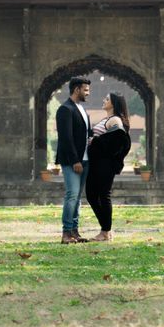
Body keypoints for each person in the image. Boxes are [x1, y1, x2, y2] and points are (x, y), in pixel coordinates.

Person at [85, 92, 131, 242]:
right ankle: (106, 229)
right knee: (92, 195)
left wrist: (96, 142)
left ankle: (105, 232)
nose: (104, 101)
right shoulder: (108, 119)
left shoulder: (115, 120)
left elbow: (120, 141)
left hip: (104, 165)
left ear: (114, 103)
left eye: (107, 99)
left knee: (102, 196)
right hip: (97, 163)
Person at [55, 76, 91, 243]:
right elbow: (66, 138)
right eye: (85, 90)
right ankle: (66, 233)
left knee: (77, 197)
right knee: (71, 195)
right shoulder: (65, 109)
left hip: (85, 160)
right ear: (76, 89)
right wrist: (75, 160)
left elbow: (85, 134)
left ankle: (74, 232)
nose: (88, 93)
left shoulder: (82, 109)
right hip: (72, 161)